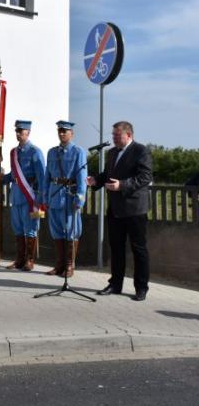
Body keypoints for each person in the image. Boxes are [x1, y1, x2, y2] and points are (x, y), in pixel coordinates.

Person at [87, 121, 153, 301]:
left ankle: (141, 288)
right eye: (113, 135)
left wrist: (122, 185)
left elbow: (145, 177)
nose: (114, 138)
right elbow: (107, 174)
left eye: (117, 135)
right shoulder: (112, 152)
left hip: (135, 209)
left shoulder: (141, 151)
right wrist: (96, 181)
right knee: (116, 248)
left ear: (129, 135)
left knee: (138, 249)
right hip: (115, 208)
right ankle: (115, 284)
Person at [41, 121, 87, 278]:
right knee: (56, 232)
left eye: (65, 131)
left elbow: (82, 178)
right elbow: (47, 176)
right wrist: (45, 197)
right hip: (54, 196)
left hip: (69, 197)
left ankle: (69, 265)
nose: (62, 133)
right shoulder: (52, 152)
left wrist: (80, 199)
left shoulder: (78, 152)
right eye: (60, 130)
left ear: (71, 133)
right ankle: (59, 265)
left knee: (71, 232)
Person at [2, 120, 46, 271]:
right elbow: (14, 175)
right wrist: (2, 179)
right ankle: (19, 259)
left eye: (21, 131)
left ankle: (30, 260)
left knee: (31, 229)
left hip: (31, 198)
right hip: (16, 196)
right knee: (18, 229)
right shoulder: (13, 152)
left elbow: (41, 176)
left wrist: (40, 199)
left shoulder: (35, 151)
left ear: (28, 132)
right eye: (17, 131)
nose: (18, 133)